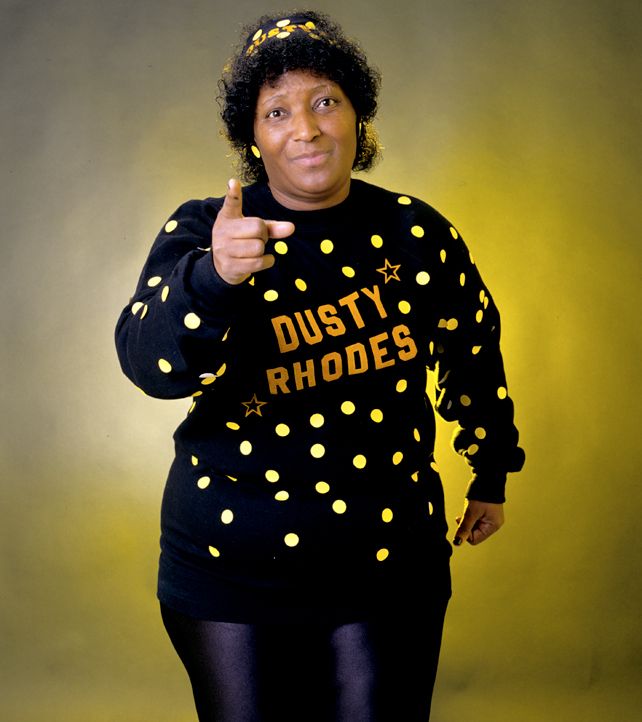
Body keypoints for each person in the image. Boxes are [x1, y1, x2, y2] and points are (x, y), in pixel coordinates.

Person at [115, 10, 525, 721]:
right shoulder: (207, 230)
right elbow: (150, 367)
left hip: (389, 559)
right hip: (229, 565)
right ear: (253, 136)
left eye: (325, 101)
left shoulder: (418, 232)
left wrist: (490, 470)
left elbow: (472, 349)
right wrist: (213, 277)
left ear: (357, 117)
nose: (305, 128)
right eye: (277, 111)